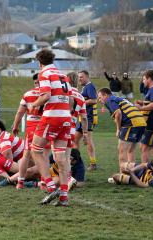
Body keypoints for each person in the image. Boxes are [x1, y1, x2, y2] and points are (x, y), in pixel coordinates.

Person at [30, 49, 73, 206]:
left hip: (52, 117)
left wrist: (33, 105)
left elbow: (46, 95)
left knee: (35, 149)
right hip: (66, 118)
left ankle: (49, 186)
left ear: (39, 62)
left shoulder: (44, 74)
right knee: (61, 159)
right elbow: (69, 99)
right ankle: (63, 197)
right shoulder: (63, 75)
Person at [11, 73, 46, 189]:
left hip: (31, 127)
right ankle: (43, 181)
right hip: (44, 125)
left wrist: (15, 126)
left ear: (35, 82)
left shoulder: (28, 94)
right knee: (44, 154)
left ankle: (20, 182)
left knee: (26, 154)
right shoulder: (48, 94)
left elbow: (20, 112)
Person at [98, 88, 146, 172]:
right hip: (141, 123)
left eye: (100, 97)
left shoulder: (110, 100)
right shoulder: (119, 99)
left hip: (131, 123)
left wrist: (118, 129)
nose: (99, 100)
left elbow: (118, 113)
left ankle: (122, 173)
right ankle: (133, 174)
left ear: (105, 95)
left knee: (121, 149)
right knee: (130, 150)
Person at [74, 70, 98, 171]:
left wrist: (81, 102)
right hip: (81, 118)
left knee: (88, 140)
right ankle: (76, 161)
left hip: (88, 118)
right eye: (79, 77)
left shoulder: (90, 86)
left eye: (81, 77)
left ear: (87, 77)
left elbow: (94, 100)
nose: (79, 79)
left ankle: (93, 163)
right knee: (74, 140)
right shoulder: (84, 87)